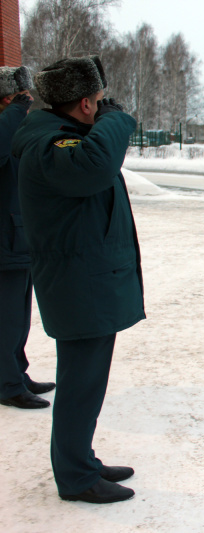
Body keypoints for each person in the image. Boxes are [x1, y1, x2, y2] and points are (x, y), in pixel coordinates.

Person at [13, 56, 144, 502]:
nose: (104, 109)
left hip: (85, 281)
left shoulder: (61, 136)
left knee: (86, 384)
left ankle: (80, 460)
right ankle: (75, 477)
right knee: (79, 386)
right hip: (77, 285)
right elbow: (95, 167)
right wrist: (118, 118)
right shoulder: (49, 144)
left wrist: (104, 119)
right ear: (86, 104)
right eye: (100, 102)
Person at [0, 65, 56, 410]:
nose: (28, 103)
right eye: (20, 98)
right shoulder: (4, 128)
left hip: (21, 237)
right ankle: (7, 384)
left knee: (19, 316)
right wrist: (15, 111)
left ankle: (17, 373)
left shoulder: (14, 128)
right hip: (4, 240)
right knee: (5, 317)